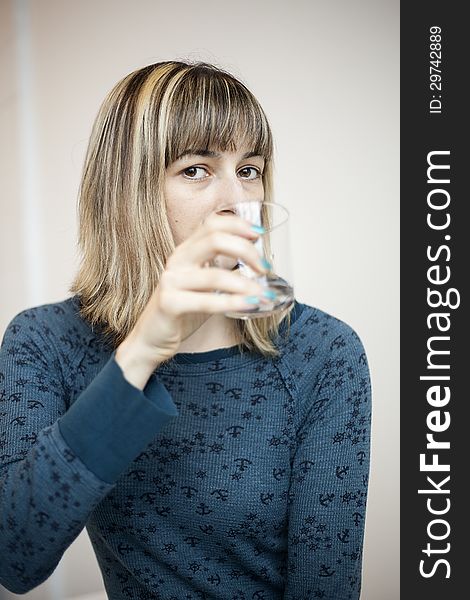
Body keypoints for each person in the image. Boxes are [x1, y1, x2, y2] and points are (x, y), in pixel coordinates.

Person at [0, 61, 372, 600]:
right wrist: (144, 350)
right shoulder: (47, 343)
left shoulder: (323, 352)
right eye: (196, 169)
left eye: (249, 169)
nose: (236, 202)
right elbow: (16, 558)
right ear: (126, 191)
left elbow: (326, 588)